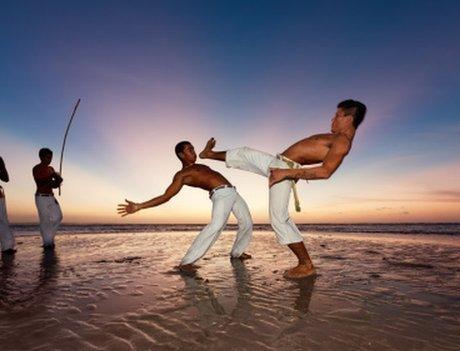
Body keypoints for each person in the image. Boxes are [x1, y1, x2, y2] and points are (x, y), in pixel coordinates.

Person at [199, 99, 366, 279]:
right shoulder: (336, 138)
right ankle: (209, 154)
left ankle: (305, 264)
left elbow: (325, 172)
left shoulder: (342, 142)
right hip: (278, 163)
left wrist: (286, 173)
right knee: (244, 153)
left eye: (337, 116)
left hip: (284, 169)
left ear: (349, 119)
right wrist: (284, 170)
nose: (332, 119)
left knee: (278, 218)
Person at [117, 141, 253, 273]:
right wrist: (139, 206)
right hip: (221, 194)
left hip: (233, 192)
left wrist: (207, 151)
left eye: (193, 148)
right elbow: (166, 196)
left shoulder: (200, 165)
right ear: (182, 155)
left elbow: (204, 154)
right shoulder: (182, 175)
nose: (193, 152)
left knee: (247, 222)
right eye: (190, 150)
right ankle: (187, 262)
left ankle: (237, 252)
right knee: (216, 225)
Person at [32, 148, 63, 249]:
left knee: (58, 216)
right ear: (41, 157)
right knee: (45, 220)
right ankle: (48, 243)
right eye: (48, 157)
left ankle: (49, 239)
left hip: (51, 196)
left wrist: (58, 181)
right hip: (41, 197)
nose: (50, 159)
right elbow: (41, 182)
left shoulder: (51, 169)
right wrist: (53, 176)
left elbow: (53, 185)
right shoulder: (36, 168)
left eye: (51, 157)